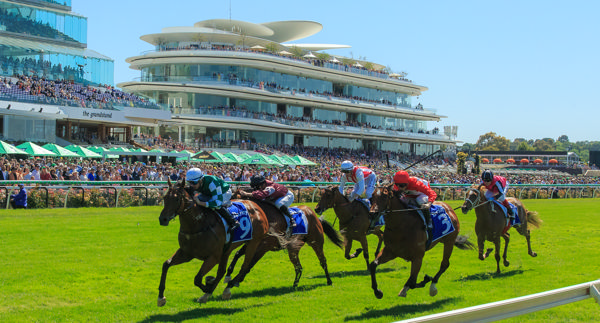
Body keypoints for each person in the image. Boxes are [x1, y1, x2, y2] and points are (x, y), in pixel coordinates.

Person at [185, 167, 239, 233]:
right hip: (209, 193)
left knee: (215, 206)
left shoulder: (212, 182)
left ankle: (233, 222)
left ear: (201, 180)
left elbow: (217, 203)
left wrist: (201, 203)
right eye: (189, 182)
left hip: (224, 192)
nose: (191, 185)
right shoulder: (195, 183)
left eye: (194, 183)